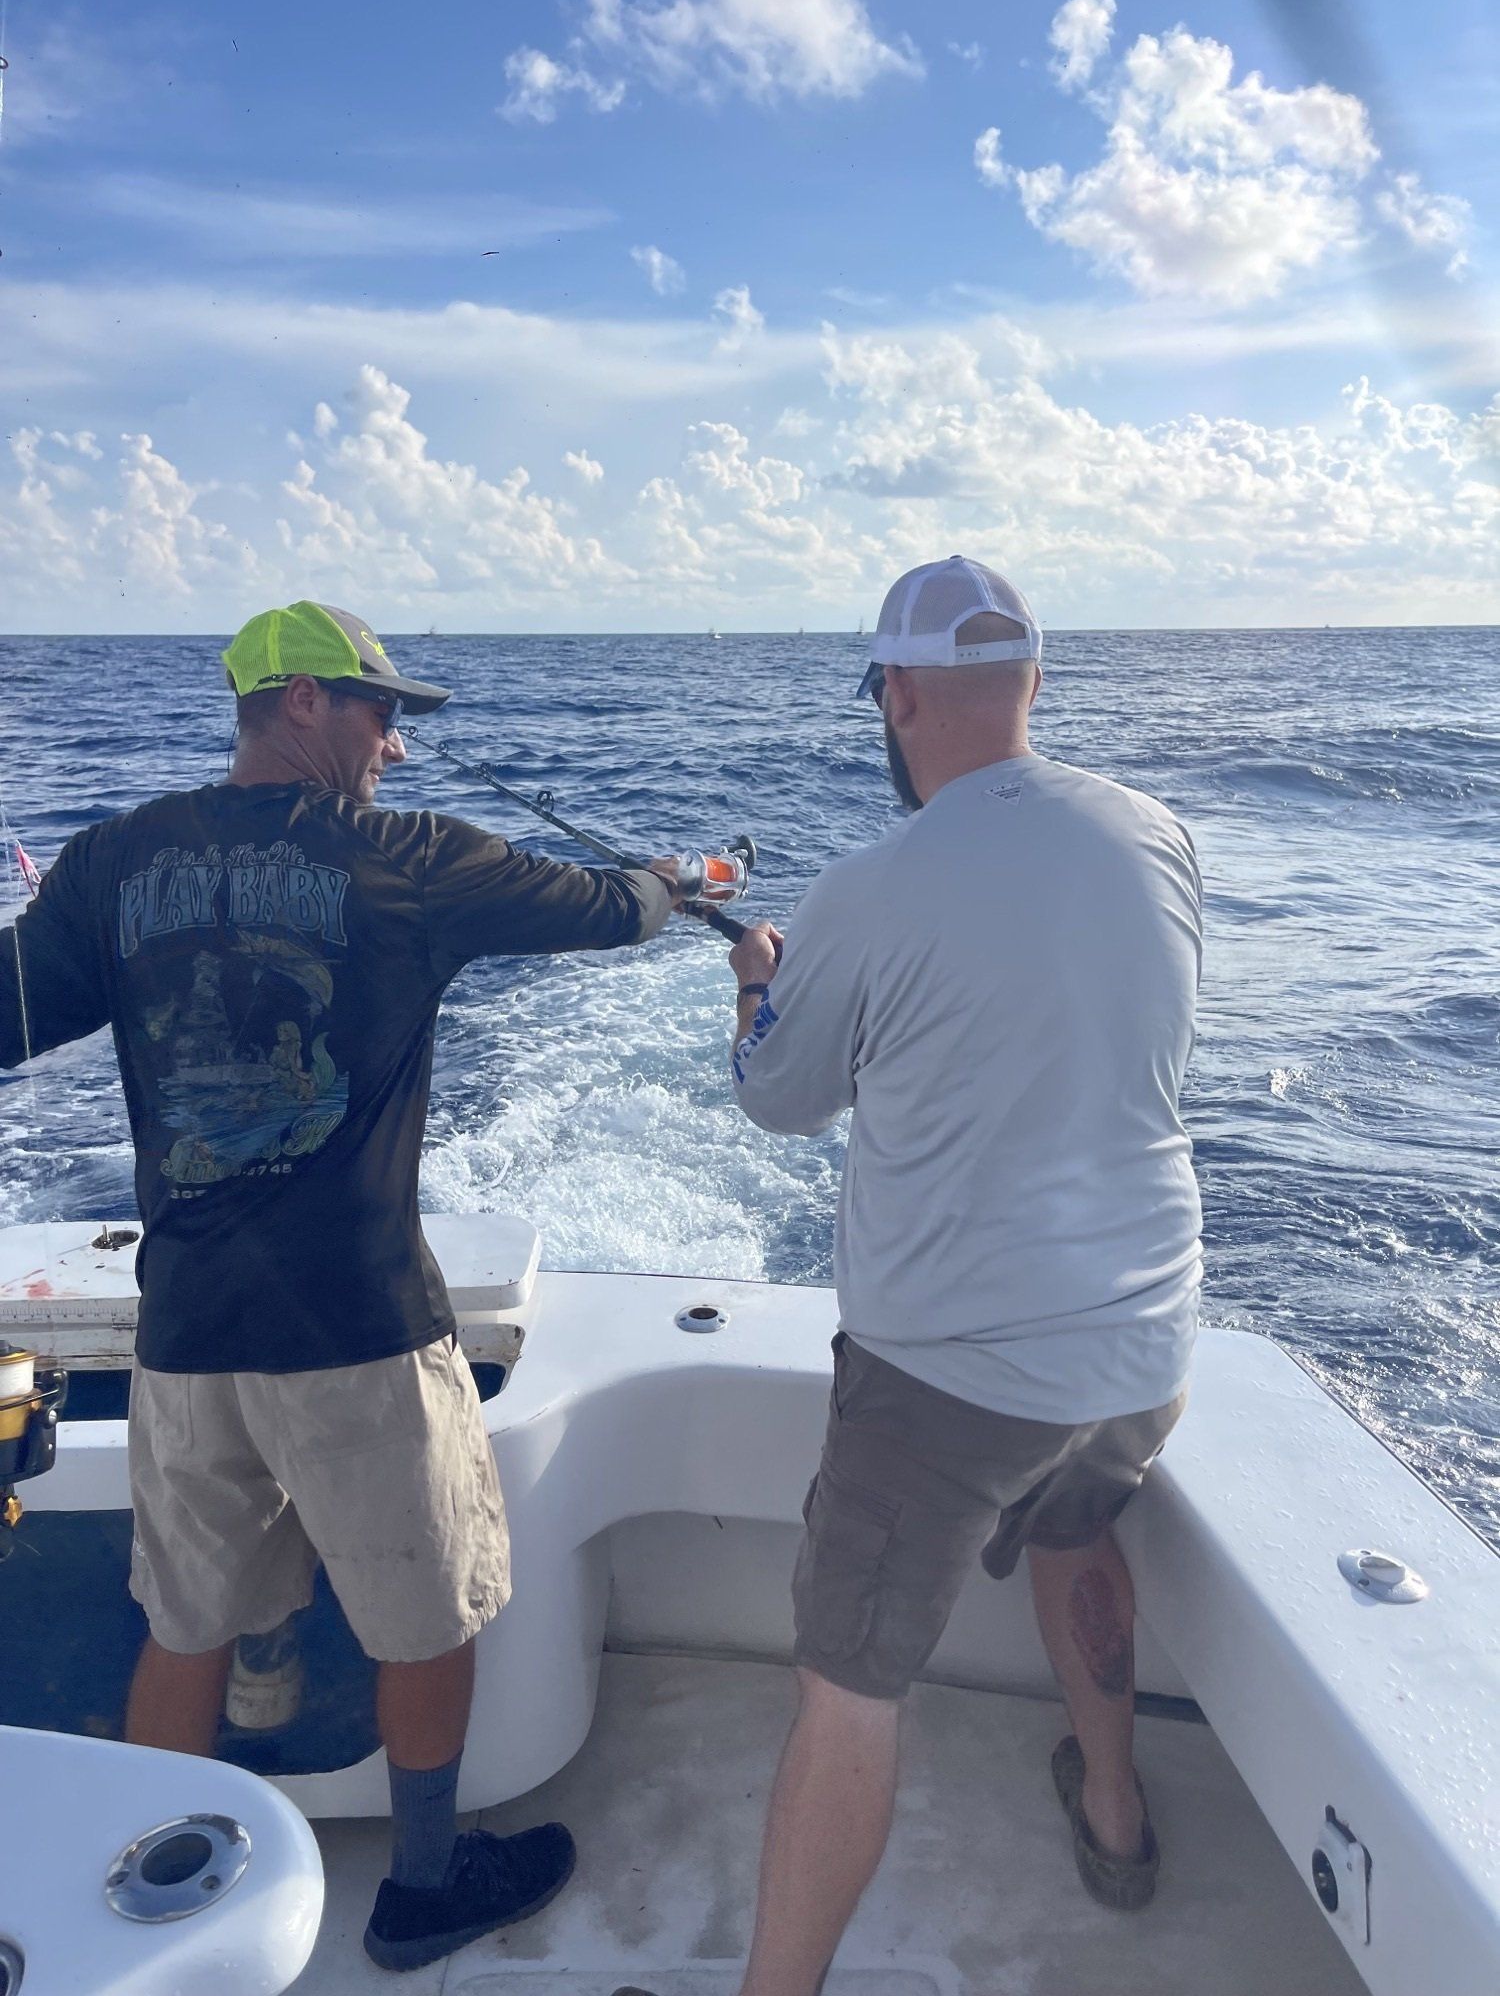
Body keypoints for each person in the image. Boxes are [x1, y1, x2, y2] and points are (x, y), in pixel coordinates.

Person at [0, 600, 685, 1974]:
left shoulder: (113, 859)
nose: (397, 747)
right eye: (382, 714)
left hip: (187, 1336)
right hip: (360, 1331)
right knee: (428, 1620)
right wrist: (679, 879)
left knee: (181, 1621)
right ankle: (424, 1888)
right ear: (302, 703)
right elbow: (612, 909)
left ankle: (116, 1899)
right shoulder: (412, 861)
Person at [714, 557, 1203, 1996]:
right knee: (1076, 1535)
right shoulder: (1158, 834)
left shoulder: (872, 884)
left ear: (901, 694)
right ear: (1036, 685)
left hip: (947, 1382)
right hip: (1141, 1345)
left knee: (850, 1687)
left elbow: (777, 1098)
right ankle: (1114, 1815)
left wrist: (758, 983)